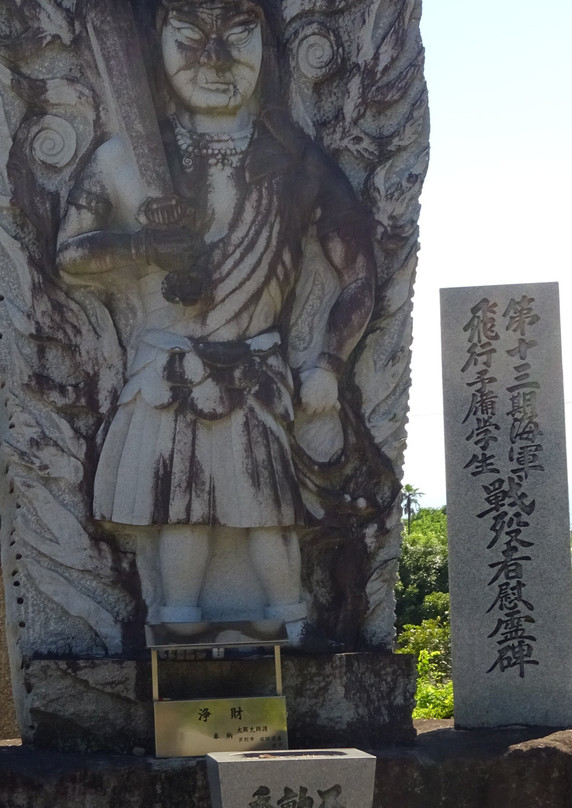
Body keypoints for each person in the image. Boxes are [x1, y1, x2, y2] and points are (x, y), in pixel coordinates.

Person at [55, 0, 375, 646]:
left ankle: (291, 622)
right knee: (180, 506)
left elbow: (359, 274)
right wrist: (142, 248)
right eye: (189, 37)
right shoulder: (121, 159)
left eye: (238, 35)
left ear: (268, 47)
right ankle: (176, 627)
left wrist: (329, 364)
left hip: (257, 365)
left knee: (268, 510)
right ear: (157, 47)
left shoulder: (295, 160)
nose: (215, 59)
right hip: (168, 367)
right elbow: (70, 257)